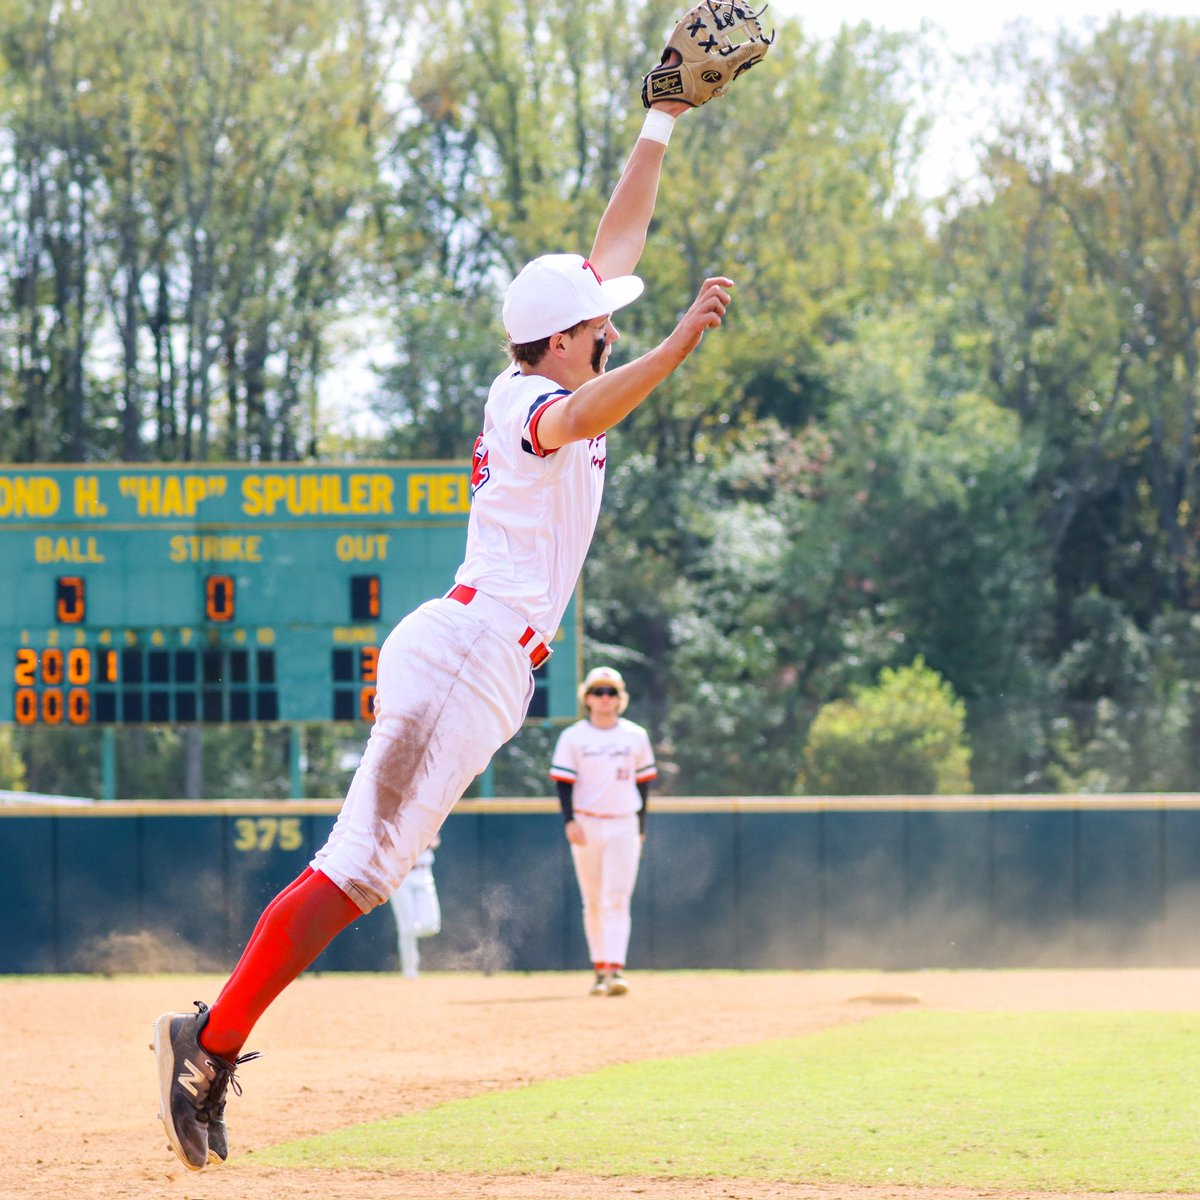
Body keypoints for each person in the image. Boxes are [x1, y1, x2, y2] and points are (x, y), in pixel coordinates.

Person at [152, 86, 735, 1174]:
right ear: (560, 340)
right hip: (468, 654)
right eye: (600, 326)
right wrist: (676, 346)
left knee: (361, 875)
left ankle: (213, 1039)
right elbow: (587, 412)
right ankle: (208, 1045)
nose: (613, 328)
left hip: (482, 665)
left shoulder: (559, 355)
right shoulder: (527, 402)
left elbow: (618, 242)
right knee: (357, 871)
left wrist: (661, 120)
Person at [550, 666, 657, 996]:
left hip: (624, 820)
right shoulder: (573, 737)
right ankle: (599, 968)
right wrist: (569, 820)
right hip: (587, 822)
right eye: (598, 691)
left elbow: (644, 785)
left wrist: (640, 827)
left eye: (611, 692)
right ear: (588, 698)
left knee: (617, 898)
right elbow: (564, 784)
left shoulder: (635, 735)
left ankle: (616, 968)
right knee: (593, 900)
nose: (605, 698)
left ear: (620, 698)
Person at [389, 838, 442, 978]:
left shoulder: (426, 816)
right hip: (401, 875)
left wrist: (426, 841)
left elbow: (435, 841)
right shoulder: (393, 818)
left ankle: (408, 933)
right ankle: (410, 971)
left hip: (424, 872)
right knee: (406, 926)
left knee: (431, 925)